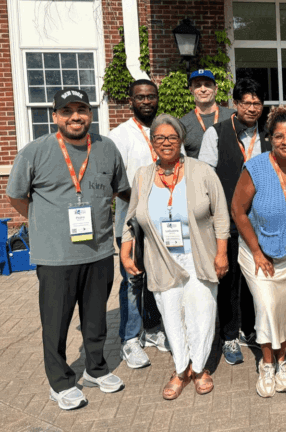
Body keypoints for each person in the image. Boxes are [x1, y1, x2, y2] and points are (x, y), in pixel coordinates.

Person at [7, 88, 129, 410]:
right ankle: (60, 383)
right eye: (67, 111)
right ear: (55, 116)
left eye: (82, 109)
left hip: (100, 252)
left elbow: (120, 191)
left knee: (95, 319)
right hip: (55, 256)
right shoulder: (35, 152)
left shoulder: (107, 148)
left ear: (90, 113)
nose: (76, 116)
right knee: (56, 322)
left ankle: (95, 369)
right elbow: (18, 197)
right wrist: (47, 226)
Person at [120, 114, 229, 400]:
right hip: (161, 259)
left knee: (202, 312)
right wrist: (125, 250)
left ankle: (200, 366)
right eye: (159, 138)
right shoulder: (143, 175)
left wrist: (221, 254)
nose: (166, 143)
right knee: (171, 314)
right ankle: (181, 369)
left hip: (199, 256)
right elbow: (131, 219)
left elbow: (220, 215)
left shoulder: (202, 170)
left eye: (172, 137)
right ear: (152, 143)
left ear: (181, 140)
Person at [231, 106, 286, 398]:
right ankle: (268, 365)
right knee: (267, 309)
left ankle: (283, 360)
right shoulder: (255, 168)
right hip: (259, 255)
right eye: (278, 136)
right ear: (270, 139)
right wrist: (255, 251)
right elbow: (238, 211)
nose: (285, 141)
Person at [199, 78, 270, 365]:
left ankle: (252, 330)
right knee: (229, 281)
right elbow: (205, 178)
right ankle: (229, 336)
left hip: (260, 220)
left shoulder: (269, 134)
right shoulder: (216, 134)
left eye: (257, 103)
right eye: (246, 103)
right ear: (236, 104)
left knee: (258, 276)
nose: (252, 108)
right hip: (227, 220)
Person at [109, 79, 169, 370]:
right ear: (130, 101)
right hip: (131, 222)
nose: (146, 102)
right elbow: (116, 182)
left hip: (162, 221)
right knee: (133, 279)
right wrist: (142, 204)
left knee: (157, 276)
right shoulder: (119, 136)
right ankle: (130, 339)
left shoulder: (165, 130)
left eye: (151, 97)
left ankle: (154, 330)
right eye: (140, 97)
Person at [180, 69, 236, 158]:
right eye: (198, 85)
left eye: (207, 85)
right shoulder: (183, 124)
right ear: (191, 90)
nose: (203, 89)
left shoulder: (232, 117)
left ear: (215, 89)